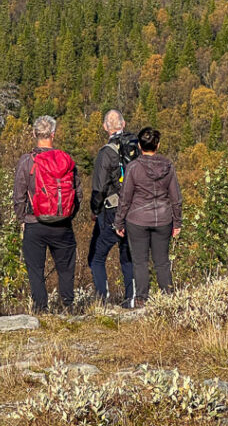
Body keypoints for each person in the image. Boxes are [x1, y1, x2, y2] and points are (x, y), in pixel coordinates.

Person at [13, 115, 82, 313]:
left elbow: (19, 195)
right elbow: (78, 192)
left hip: (34, 222)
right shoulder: (66, 160)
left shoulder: (27, 161)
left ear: (35, 134)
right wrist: (68, 214)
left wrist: (22, 219)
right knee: (66, 268)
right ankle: (68, 306)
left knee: (36, 269)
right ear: (53, 134)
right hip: (62, 224)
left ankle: (41, 309)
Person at [114, 126, 182, 308]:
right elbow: (175, 197)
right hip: (163, 219)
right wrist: (177, 222)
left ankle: (142, 300)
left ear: (139, 146)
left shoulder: (133, 167)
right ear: (157, 145)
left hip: (137, 219)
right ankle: (168, 300)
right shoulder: (167, 166)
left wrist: (118, 221)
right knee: (162, 262)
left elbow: (125, 198)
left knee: (140, 262)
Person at [88, 109, 139, 307]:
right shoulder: (136, 147)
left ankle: (102, 300)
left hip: (112, 210)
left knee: (96, 257)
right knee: (128, 255)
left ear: (104, 127)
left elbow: (99, 188)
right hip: (135, 209)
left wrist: (94, 210)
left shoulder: (106, 153)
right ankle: (132, 299)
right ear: (123, 123)